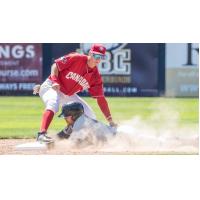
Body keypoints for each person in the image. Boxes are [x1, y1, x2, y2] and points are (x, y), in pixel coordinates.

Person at [33, 44, 117, 143]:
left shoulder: (95, 77)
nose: (98, 59)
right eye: (96, 56)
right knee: (53, 103)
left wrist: (110, 120)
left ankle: (67, 132)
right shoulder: (77, 58)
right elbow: (55, 65)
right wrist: (55, 80)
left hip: (67, 94)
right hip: (51, 85)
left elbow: (101, 99)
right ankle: (41, 134)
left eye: (102, 57)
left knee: (90, 117)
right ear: (90, 53)